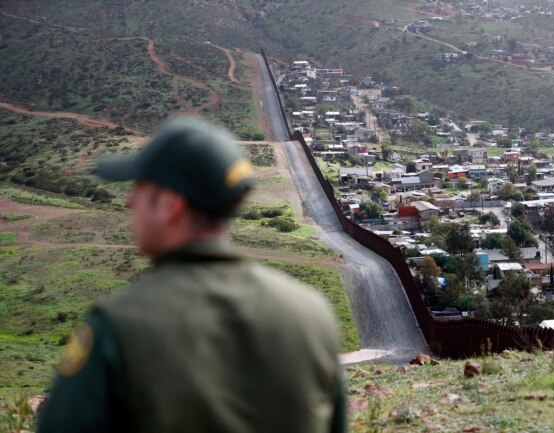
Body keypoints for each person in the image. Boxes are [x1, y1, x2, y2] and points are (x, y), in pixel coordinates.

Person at [37, 117, 346, 433]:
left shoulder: (117, 327)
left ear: (172, 205)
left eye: (140, 186)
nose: (130, 201)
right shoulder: (313, 314)